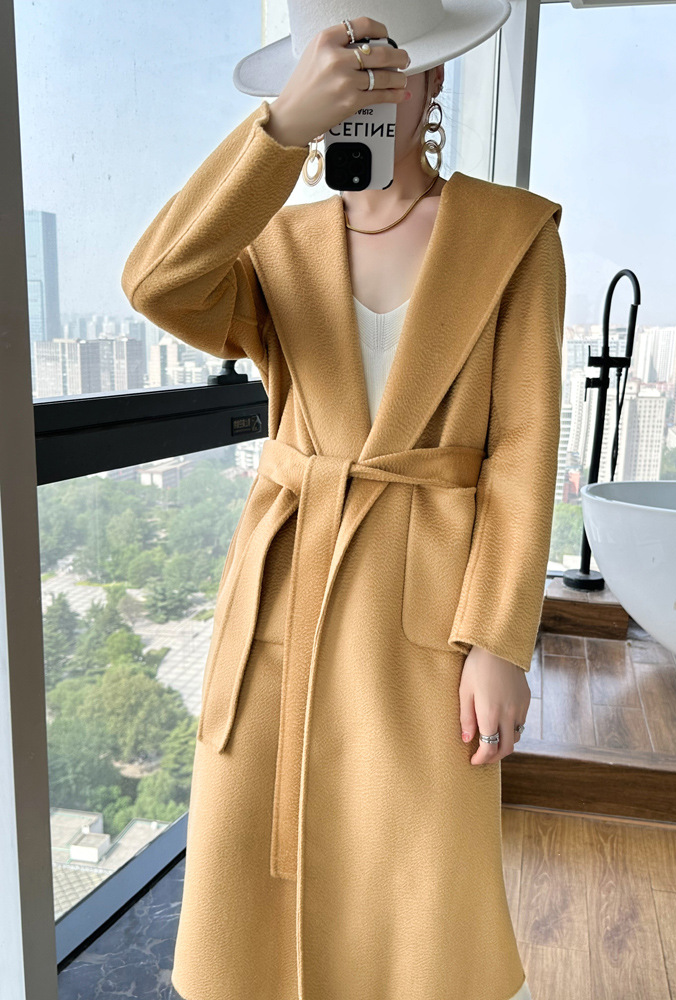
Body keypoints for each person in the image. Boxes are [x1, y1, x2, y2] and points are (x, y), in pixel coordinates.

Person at [121, 8, 565, 1000]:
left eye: (380, 71)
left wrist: (500, 641)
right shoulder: (275, 244)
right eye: (337, 74)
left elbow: (523, 448)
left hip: (430, 611)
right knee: (258, 891)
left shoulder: (513, 236)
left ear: (431, 81)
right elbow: (156, 283)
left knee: (418, 884)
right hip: (286, 592)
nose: (360, 94)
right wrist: (277, 133)